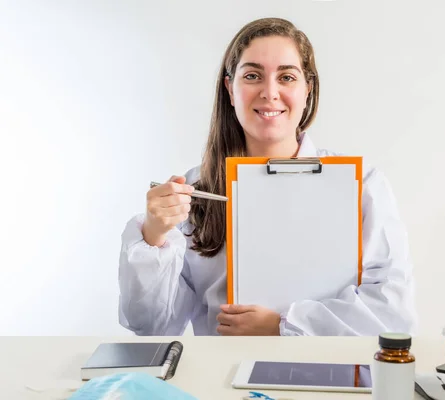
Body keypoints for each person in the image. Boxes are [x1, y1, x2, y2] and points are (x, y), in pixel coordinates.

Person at [118, 17, 417, 336]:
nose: (269, 92)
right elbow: (150, 325)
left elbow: (392, 313)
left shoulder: (361, 185)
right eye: (252, 76)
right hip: (220, 376)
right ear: (230, 89)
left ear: (307, 89)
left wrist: (282, 326)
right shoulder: (194, 192)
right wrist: (154, 234)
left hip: (330, 375)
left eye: (287, 77)